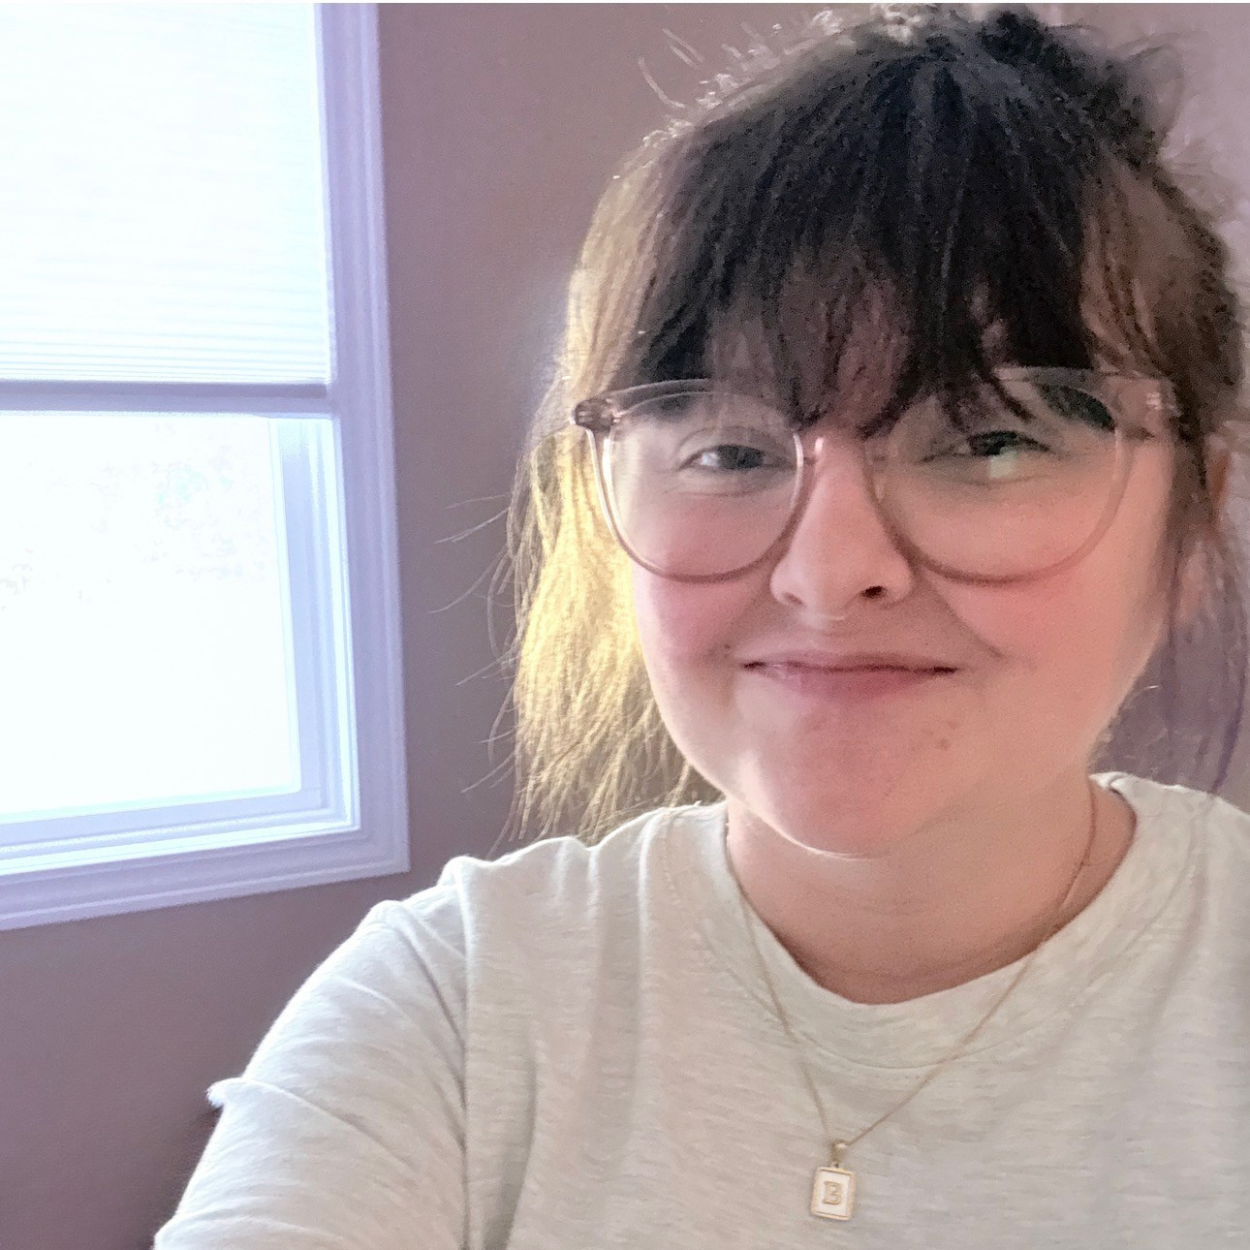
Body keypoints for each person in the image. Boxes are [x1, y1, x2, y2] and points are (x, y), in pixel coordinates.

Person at [153, 6, 1250, 1247]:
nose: (827, 575)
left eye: (990, 439)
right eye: (729, 449)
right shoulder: (453, 1006)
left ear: (1189, 520)